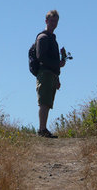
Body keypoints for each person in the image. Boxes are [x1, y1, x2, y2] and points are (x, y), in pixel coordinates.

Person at [35, 10, 66, 138]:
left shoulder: (52, 38)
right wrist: (56, 64)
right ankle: (42, 129)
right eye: (51, 21)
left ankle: (43, 129)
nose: (54, 23)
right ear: (46, 21)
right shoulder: (43, 37)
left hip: (50, 74)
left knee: (47, 102)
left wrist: (56, 77)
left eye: (56, 21)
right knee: (44, 102)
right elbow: (40, 57)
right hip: (45, 73)